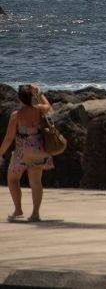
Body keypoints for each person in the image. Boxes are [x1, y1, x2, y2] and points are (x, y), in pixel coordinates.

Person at [1, 84, 53, 222]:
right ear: (31, 97)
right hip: (38, 149)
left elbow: (9, 137)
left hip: (22, 151)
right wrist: (39, 93)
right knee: (36, 182)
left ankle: (18, 209)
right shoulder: (39, 110)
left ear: (19, 98)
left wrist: (0, 152)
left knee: (12, 178)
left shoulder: (16, 115)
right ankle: (35, 213)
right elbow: (48, 106)